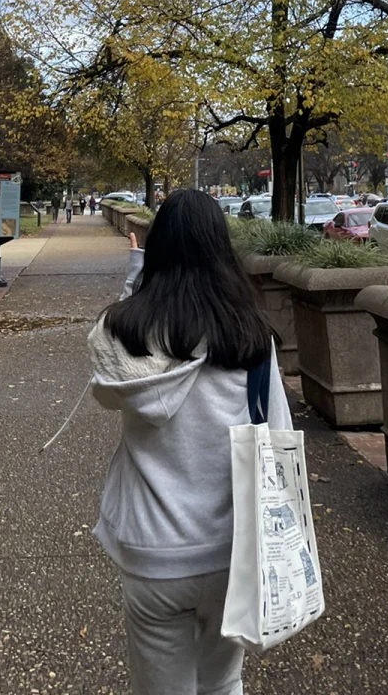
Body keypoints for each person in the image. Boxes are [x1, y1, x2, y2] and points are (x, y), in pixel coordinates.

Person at [89, 188, 290, 695]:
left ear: (157, 251)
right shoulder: (251, 338)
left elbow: (116, 355)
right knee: (223, 682)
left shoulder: (124, 334)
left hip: (153, 552)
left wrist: (136, 275)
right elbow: (281, 437)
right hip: (233, 550)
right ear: (221, 250)